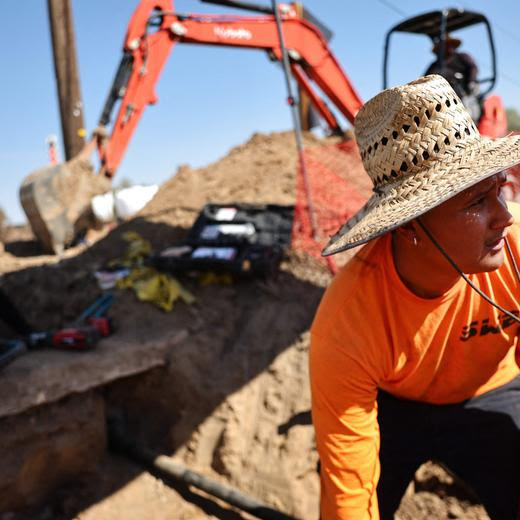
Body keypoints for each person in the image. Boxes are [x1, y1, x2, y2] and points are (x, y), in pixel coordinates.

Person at [310, 74, 520, 519]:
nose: (503, 216)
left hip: (491, 389)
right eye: (476, 201)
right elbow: (349, 484)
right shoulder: (348, 320)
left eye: (499, 188)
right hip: (394, 407)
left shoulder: (516, 243)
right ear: (408, 225)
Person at [425, 34, 480, 120]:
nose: (450, 47)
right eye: (447, 45)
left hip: (461, 92)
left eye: (451, 45)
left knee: (465, 109)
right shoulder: (434, 65)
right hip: (439, 97)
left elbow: (473, 68)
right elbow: (424, 79)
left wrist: (471, 82)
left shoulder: (461, 57)